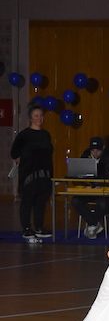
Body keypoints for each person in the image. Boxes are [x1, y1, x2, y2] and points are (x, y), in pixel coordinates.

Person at [10, 102, 53, 239]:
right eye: (36, 116)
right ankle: (26, 228)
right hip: (29, 174)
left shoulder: (46, 134)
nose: (39, 118)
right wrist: (23, 161)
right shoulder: (24, 135)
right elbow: (14, 153)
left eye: (41, 115)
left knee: (41, 201)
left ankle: (39, 227)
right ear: (31, 118)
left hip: (44, 174)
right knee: (27, 201)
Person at [71, 136, 109, 239]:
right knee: (76, 201)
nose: (95, 153)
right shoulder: (84, 157)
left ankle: (91, 225)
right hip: (87, 191)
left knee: (103, 204)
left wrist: (102, 186)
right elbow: (77, 177)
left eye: (98, 150)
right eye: (93, 150)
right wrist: (84, 187)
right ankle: (94, 224)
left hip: (103, 193)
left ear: (103, 148)